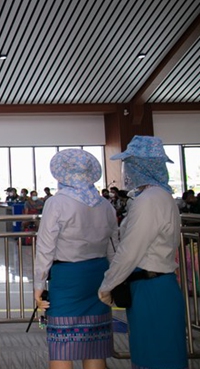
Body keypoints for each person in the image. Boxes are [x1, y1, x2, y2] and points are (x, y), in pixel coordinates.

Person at [98, 136, 187, 369]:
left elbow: (130, 250)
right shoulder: (160, 196)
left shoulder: (149, 200)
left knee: (155, 358)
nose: (126, 170)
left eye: (130, 163)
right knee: (160, 354)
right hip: (155, 286)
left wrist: (108, 284)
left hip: (151, 289)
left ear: (141, 166)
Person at [33, 149, 117, 368]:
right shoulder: (104, 204)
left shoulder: (58, 202)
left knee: (62, 344)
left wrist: (38, 284)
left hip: (68, 276)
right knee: (94, 343)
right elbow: (112, 245)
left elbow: (45, 247)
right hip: (99, 274)